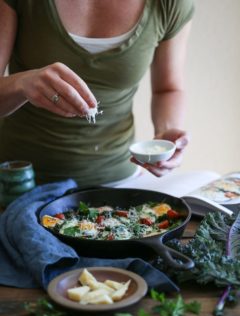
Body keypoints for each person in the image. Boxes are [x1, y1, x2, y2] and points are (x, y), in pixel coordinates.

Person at [0, 0, 194, 187]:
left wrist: (165, 137)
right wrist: (22, 83)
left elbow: (167, 88)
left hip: (120, 182)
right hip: (18, 183)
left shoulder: (170, 4)